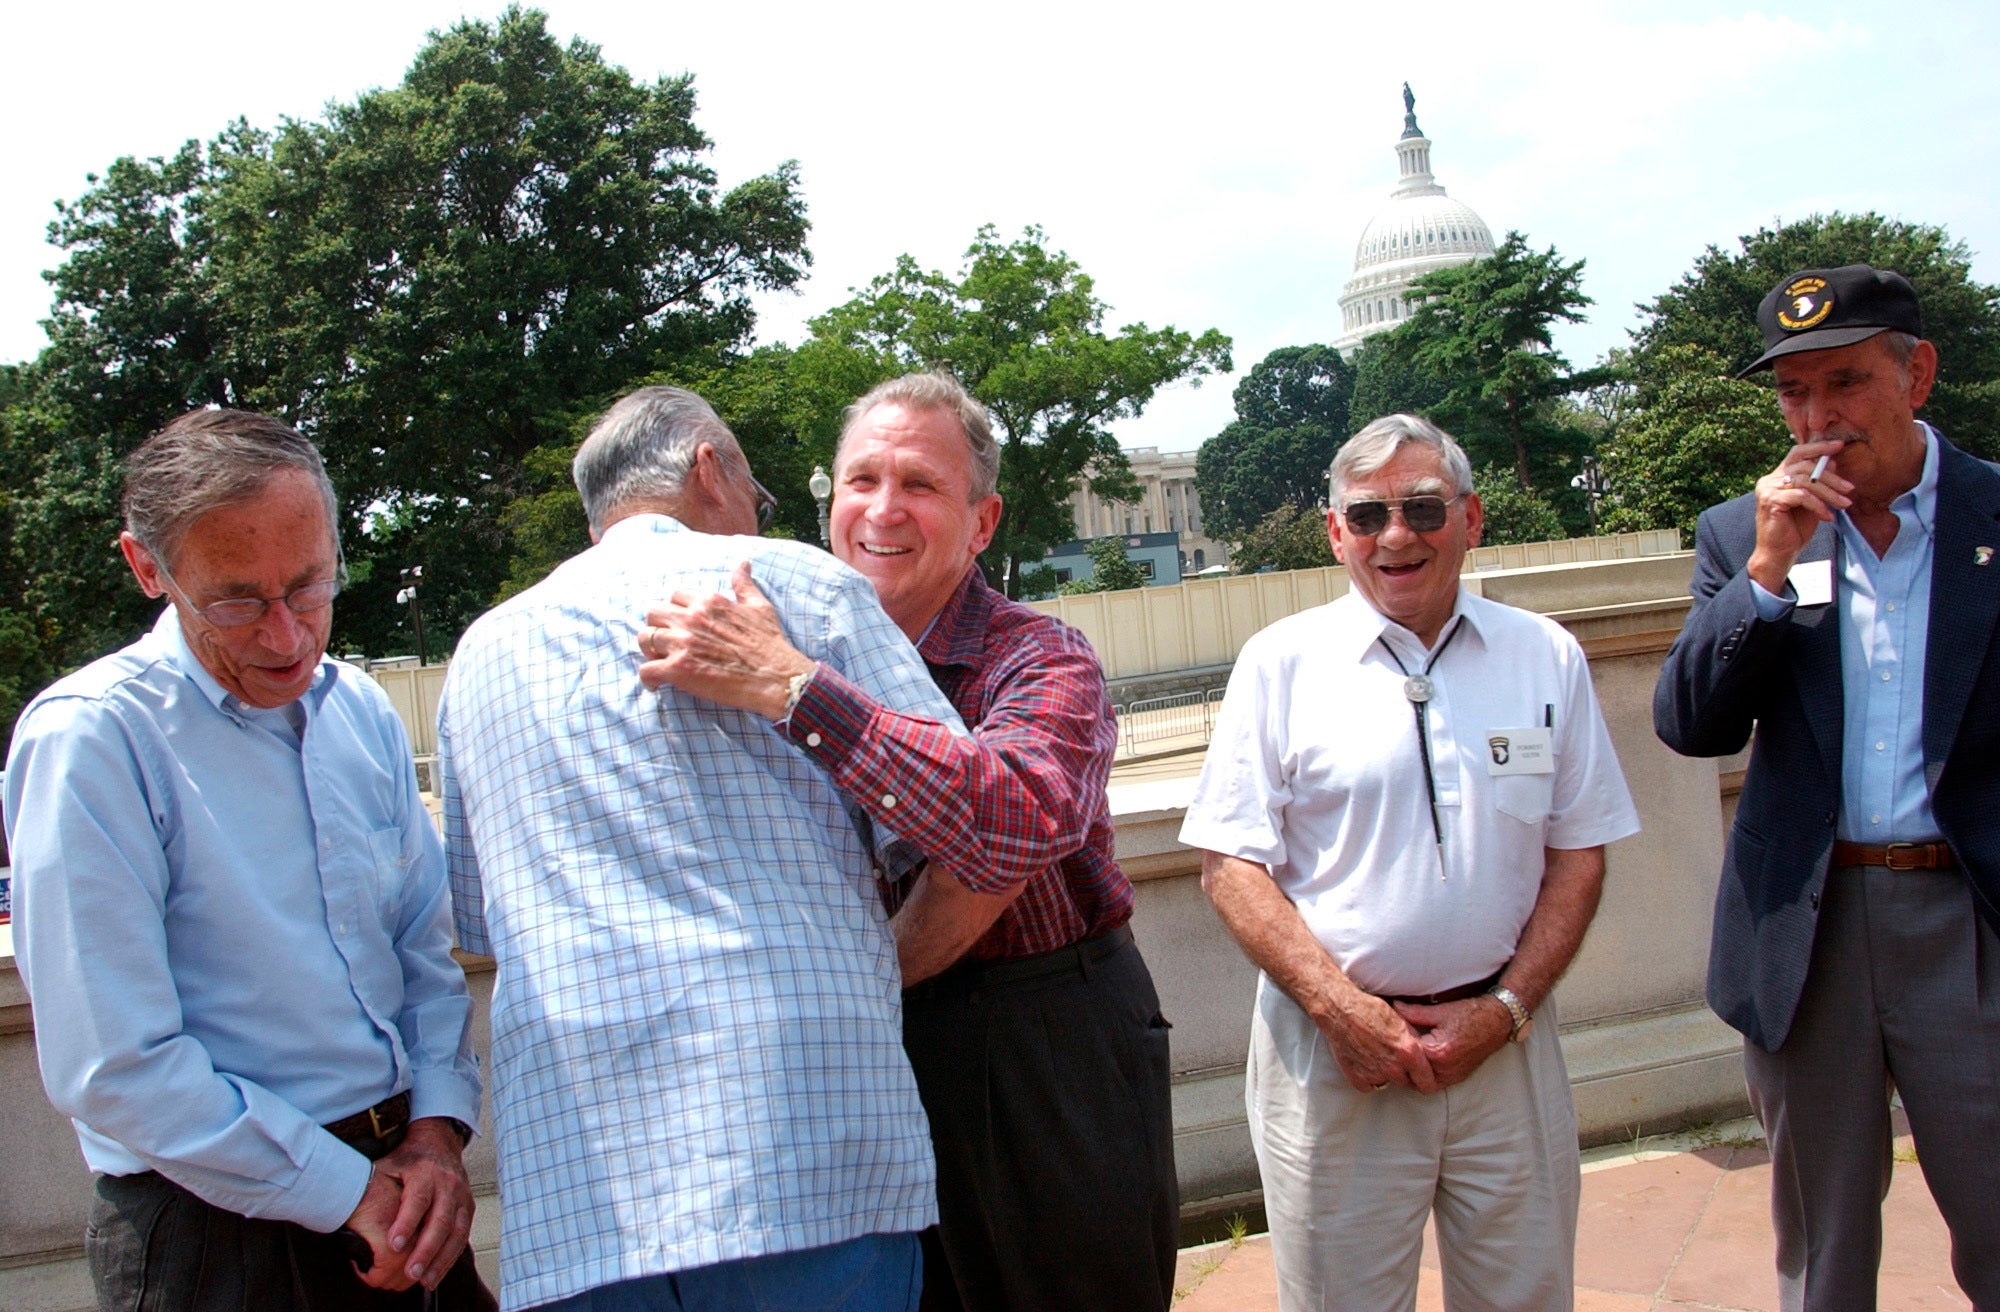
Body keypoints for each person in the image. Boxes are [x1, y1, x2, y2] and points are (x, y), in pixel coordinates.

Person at [637, 371, 1178, 1311]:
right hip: (855, 1049)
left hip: (1037, 1051)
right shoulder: (756, 642)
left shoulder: (1039, 658)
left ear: (982, 521)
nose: (883, 510)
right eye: (862, 481)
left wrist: (798, 694)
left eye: (921, 486)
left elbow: (1009, 818)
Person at [439, 386, 974, 1312]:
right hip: (803, 1152)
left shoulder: (482, 651)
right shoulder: (795, 583)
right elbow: (970, 821)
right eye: (757, 493)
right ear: (709, 469)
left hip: (580, 1187)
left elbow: (481, 922)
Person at [2, 408, 487, 1310]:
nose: (288, 637)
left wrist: (436, 1135)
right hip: (217, 1236)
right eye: (237, 601)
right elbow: (115, 1065)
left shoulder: (361, 713)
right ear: (147, 567)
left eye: (310, 586)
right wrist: (349, 1190)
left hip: (406, 1190)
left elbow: (421, 954)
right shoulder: (94, 741)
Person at [1179, 413, 1639, 1311]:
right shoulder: (1279, 665)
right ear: (1335, 533)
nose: (1397, 536)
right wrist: (1343, 1011)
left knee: (1528, 1297)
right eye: (1368, 515)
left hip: (1505, 1048)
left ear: (1470, 518)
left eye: (1424, 509)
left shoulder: (1544, 654)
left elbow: (1578, 853)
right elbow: (1230, 864)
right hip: (1336, 1057)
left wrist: (1505, 1010)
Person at [1654, 264, 2000, 1310]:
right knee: (1821, 1248)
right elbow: (1689, 722)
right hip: (1805, 931)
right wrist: (1764, 572)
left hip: (1968, 918)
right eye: (1791, 394)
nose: (1816, 418)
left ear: (1916, 375)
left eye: (1843, 382)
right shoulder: (1738, 533)